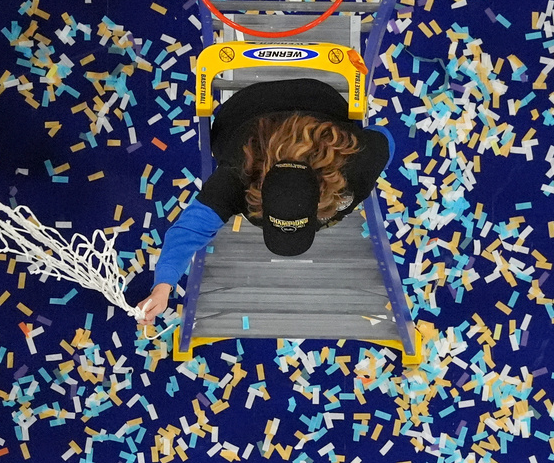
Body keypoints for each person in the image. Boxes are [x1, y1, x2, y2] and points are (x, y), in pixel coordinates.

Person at [134, 77, 395, 328]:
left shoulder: (354, 170)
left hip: (307, 100)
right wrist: (162, 287)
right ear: (258, 197)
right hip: (249, 110)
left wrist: (345, 148)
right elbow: (189, 230)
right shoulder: (236, 177)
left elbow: (384, 139)